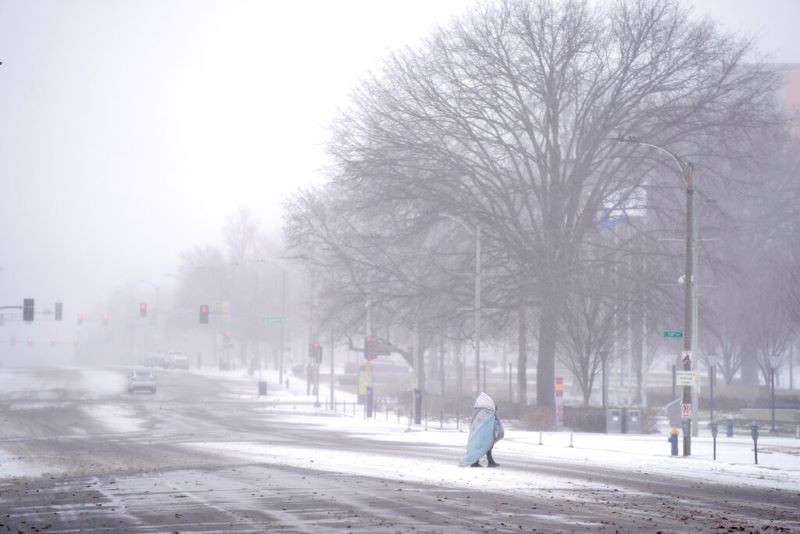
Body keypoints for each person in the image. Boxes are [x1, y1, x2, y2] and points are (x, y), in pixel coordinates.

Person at [458, 392, 504, 467]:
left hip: (480, 435)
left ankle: (485, 462)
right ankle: (485, 462)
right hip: (485, 435)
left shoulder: (479, 412)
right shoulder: (487, 413)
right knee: (486, 447)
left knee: (482, 447)